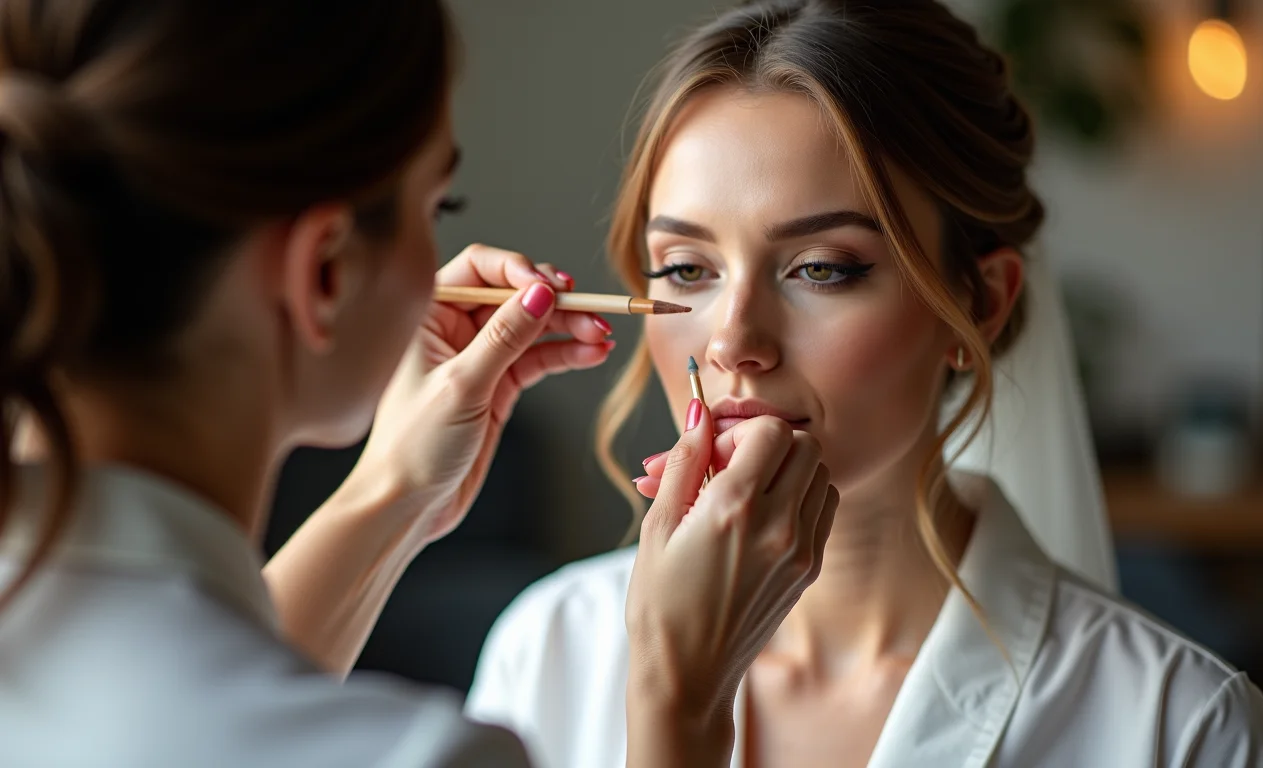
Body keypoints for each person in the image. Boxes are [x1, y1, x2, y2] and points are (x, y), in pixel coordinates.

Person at [0, 1, 838, 766]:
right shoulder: (451, 729)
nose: (731, 338)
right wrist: (678, 700)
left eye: (824, 268)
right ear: (325, 270)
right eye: (435, 207)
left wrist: (397, 492)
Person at [464, 1, 1263, 766]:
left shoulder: (1177, 726)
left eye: (822, 269)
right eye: (686, 268)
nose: (733, 341)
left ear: (980, 303)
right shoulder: (548, 650)